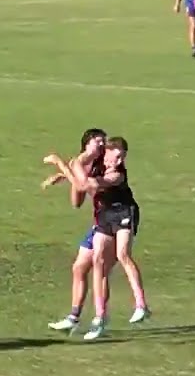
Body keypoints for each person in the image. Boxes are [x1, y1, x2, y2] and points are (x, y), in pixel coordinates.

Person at [45, 136, 145, 341]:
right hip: (102, 221)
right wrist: (65, 174)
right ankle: (74, 316)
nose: (99, 145)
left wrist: (62, 165)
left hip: (115, 219)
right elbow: (78, 198)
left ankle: (101, 318)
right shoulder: (92, 165)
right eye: (95, 142)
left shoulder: (113, 171)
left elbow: (86, 185)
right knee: (80, 267)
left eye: (101, 142)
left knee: (103, 267)